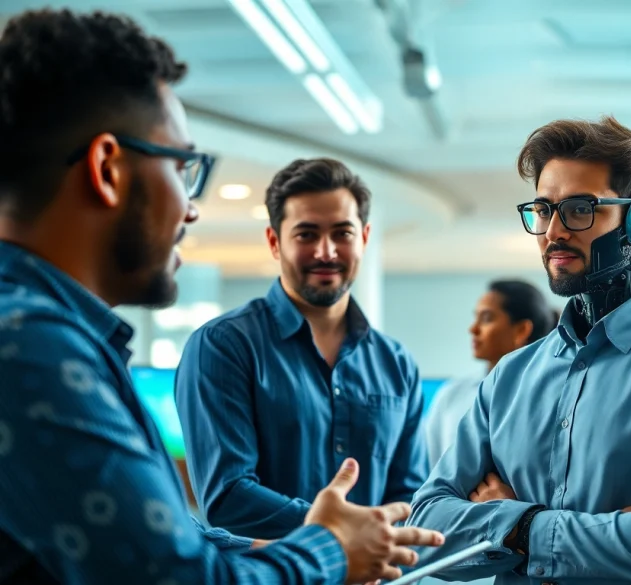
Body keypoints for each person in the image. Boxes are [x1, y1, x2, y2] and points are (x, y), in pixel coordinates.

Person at [0, 8, 442, 584]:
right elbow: (179, 577)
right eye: (183, 167)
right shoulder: (30, 346)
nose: (191, 207)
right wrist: (330, 549)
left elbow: (170, 539)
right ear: (108, 168)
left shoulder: (52, 335)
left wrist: (349, 543)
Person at [407, 116, 631, 585]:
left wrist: (514, 524)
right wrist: (604, 532)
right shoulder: (511, 375)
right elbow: (425, 531)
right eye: (542, 209)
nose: (554, 231)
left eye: (579, 209)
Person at [175, 157, 429, 540]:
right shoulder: (223, 346)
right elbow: (227, 496)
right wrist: (341, 536)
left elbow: (410, 498)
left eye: (342, 233)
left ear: (363, 238)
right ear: (275, 242)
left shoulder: (396, 364)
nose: (325, 252)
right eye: (306, 234)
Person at [424, 279, 557, 467]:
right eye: (475, 318)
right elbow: (430, 470)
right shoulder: (452, 395)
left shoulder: (553, 396)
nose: (473, 329)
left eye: (486, 318)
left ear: (521, 330)